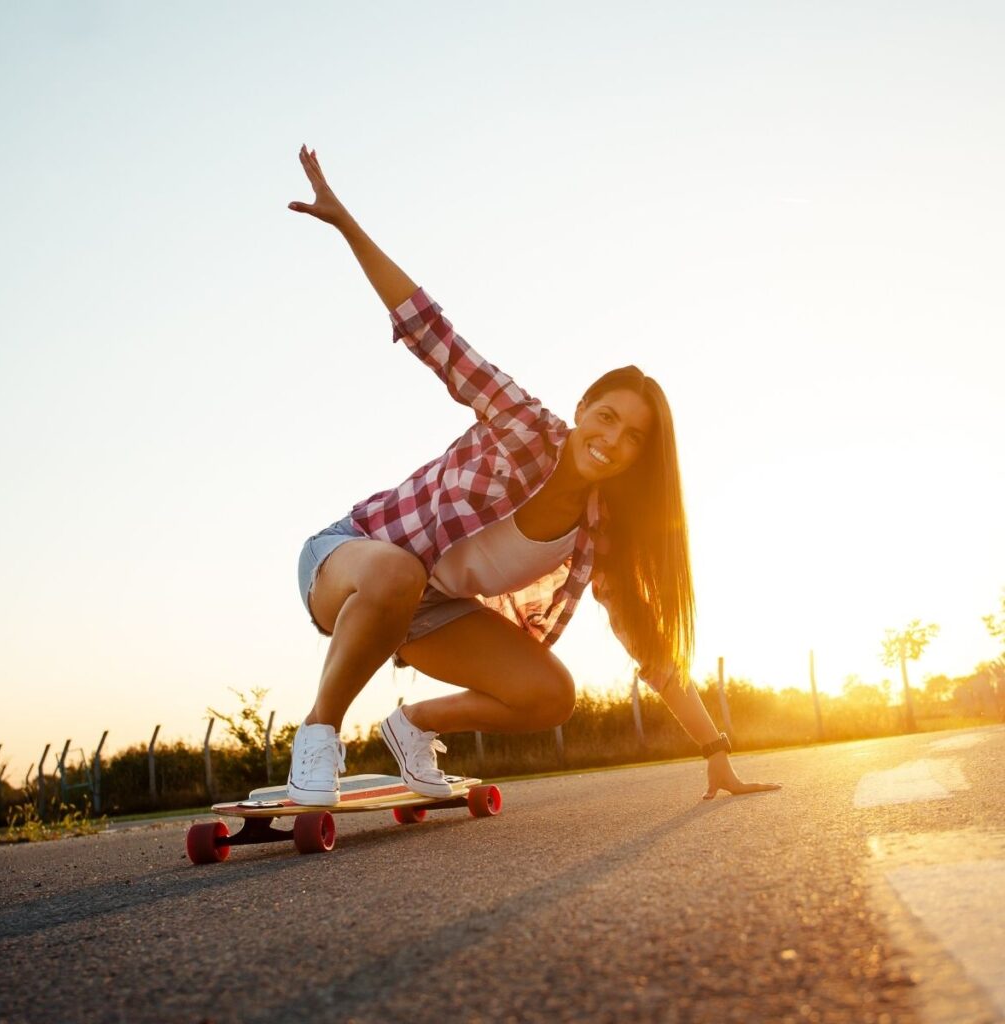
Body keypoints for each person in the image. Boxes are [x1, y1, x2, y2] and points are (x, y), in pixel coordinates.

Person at [287, 144, 780, 806]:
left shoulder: (601, 535)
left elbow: (651, 650)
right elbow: (432, 333)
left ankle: (413, 728)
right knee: (398, 571)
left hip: (429, 613)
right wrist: (347, 223)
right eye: (605, 418)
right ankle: (319, 734)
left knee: (552, 694)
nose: (612, 440)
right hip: (347, 563)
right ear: (580, 409)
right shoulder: (521, 425)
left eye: (633, 438)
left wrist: (715, 751)